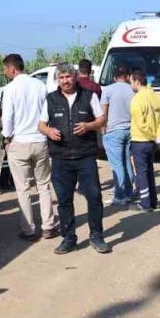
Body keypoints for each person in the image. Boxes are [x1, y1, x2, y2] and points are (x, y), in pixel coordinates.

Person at [38, 63, 111, 255]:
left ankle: (97, 235)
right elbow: (41, 124)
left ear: (75, 77)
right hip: (61, 158)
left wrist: (88, 126)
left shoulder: (89, 96)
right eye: (61, 78)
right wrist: (48, 130)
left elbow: (102, 120)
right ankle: (69, 238)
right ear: (57, 80)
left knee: (94, 197)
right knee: (64, 200)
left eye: (68, 77)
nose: (65, 81)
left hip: (85, 156)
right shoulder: (51, 99)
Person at [0, 53, 60, 241]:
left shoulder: (10, 89)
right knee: (43, 185)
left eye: (5, 69)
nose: (5, 73)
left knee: (23, 188)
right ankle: (48, 226)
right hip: (40, 140)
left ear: (11, 69)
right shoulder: (40, 86)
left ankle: (28, 229)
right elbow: (48, 112)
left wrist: (6, 137)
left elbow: (7, 117)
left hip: (19, 141)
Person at [128, 67, 160, 212]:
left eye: (131, 81)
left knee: (142, 173)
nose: (131, 85)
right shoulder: (157, 97)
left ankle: (145, 203)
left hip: (140, 140)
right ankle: (153, 201)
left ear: (137, 81)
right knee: (149, 171)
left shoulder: (137, 100)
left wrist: (151, 135)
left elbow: (140, 123)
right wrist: (159, 134)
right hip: (152, 143)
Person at [100, 64, 136, 206]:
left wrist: (103, 131)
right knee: (126, 161)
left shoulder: (108, 90)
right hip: (130, 130)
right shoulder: (133, 90)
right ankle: (128, 193)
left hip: (113, 131)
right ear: (128, 76)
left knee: (116, 165)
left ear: (114, 77)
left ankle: (119, 195)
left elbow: (103, 113)